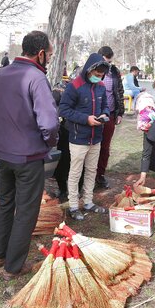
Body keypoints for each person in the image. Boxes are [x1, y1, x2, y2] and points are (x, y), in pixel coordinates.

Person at [0, 31, 59, 280]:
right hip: (28, 155)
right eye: (49, 55)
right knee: (27, 211)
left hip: (3, 152)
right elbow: (50, 123)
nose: (50, 59)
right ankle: (13, 266)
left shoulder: (1, 74)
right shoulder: (36, 78)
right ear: (40, 53)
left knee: (5, 203)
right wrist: (49, 143)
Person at [59, 53, 111, 220]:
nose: (99, 77)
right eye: (96, 75)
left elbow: (105, 106)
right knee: (75, 173)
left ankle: (88, 201)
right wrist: (85, 119)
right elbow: (64, 110)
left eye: (101, 75)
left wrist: (105, 115)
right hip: (78, 138)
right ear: (89, 70)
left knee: (91, 171)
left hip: (96, 138)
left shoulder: (101, 86)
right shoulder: (74, 86)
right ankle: (73, 205)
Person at [95, 46, 125, 189]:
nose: (108, 65)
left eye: (110, 62)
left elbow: (119, 91)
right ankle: (86, 176)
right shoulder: (90, 71)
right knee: (90, 148)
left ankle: (100, 175)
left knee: (105, 148)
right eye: (106, 62)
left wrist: (120, 113)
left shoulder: (114, 72)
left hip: (110, 115)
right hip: (93, 116)